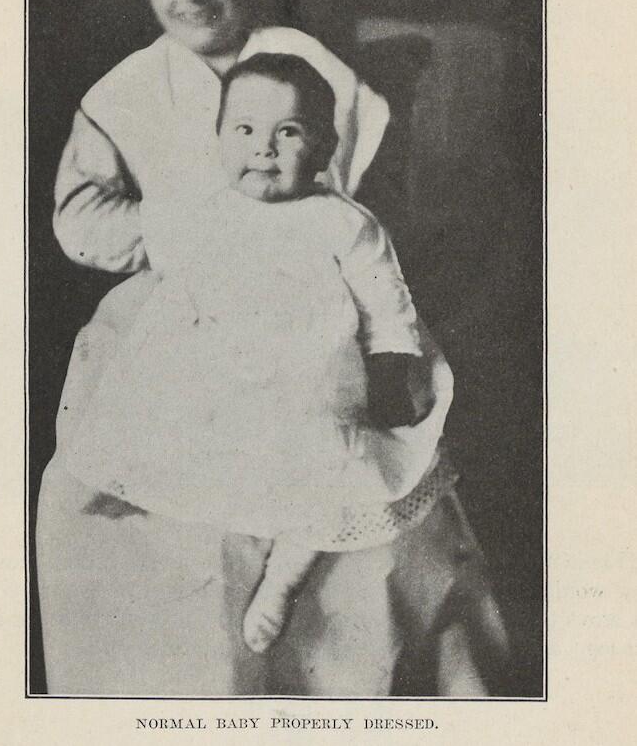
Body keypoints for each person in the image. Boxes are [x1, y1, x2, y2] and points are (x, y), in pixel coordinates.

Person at [37, 0, 508, 696]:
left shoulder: (312, 63)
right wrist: (184, 233)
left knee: (360, 472)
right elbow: (81, 218)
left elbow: (369, 216)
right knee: (125, 500)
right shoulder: (125, 91)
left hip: (320, 313)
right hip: (180, 310)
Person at [62, 53, 460, 656]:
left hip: (309, 379)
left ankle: (283, 577)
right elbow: (173, 268)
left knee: (332, 472)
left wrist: (390, 367)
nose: (263, 149)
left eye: (289, 133)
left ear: (324, 150)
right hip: (217, 366)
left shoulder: (342, 222)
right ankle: (137, 487)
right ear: (220, 139)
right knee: (163, 422)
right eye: (244, 131)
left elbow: (387, 303)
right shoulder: (204, 208)